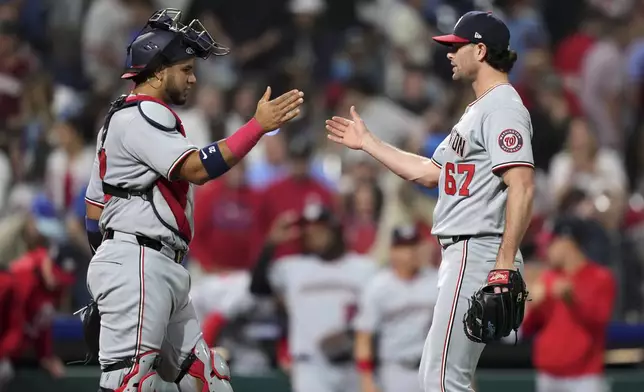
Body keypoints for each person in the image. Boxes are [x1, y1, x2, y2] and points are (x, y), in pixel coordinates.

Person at [82, 8, 304, 392]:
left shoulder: (120, 117)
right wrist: (256, 127)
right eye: (184, 69)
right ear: (155, 71)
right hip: (139, 263)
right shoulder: (143, 114)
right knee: (130, 385)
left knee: (208, 381)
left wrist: (108, 265)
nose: (192, 77)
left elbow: (93, 212)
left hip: (149, 263)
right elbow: (197, 169)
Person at [326, 10, 535, 392]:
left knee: (440, 380)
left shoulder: (502, 106)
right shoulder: (479, 109)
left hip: (478, 248)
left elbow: (522, 184)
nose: (450, 54)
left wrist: (503, 263)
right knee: (448, 378)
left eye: (457, 46)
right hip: (466, 250)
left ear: (481, 49)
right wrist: (369, 143)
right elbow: (428, 172)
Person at [249, 204, 379, 392]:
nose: (313, 233)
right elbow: (257, 288)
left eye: (320, 227)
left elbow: (376, 313)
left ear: (334, 229)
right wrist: (271, 244)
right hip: (310, 366)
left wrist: (350, 334)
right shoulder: (292, 267)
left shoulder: (364, 268)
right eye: (308, 228)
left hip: (351, 365)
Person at [521, 216, 615, 392]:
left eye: (551, 244)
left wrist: (572, 299)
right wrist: (533, 304)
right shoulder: (547, 278)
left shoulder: (599, 277)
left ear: (567, 243)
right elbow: (527, 328)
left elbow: (599, 319)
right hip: (548, 375)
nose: (546, 250)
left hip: (585, 377)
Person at [353, 224, 438, 392]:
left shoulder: (437, 280)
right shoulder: (378, 286)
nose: (409, 253)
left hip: (433, 368)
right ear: (392, 251)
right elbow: (364, 336)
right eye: (403, 247)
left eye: (413, 246)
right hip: (395, 370)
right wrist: (367, 379)